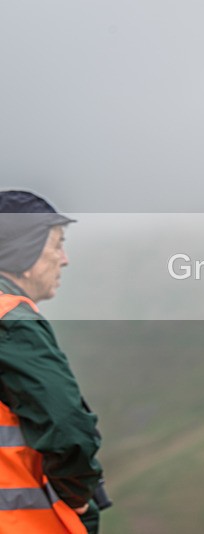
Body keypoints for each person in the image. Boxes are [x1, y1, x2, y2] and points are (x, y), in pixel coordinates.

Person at [0, 190, 103, 533]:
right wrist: (77, 499)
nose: (64, 258)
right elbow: (67, 427)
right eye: (56, 244)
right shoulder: (11, 320)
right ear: (23, 250)